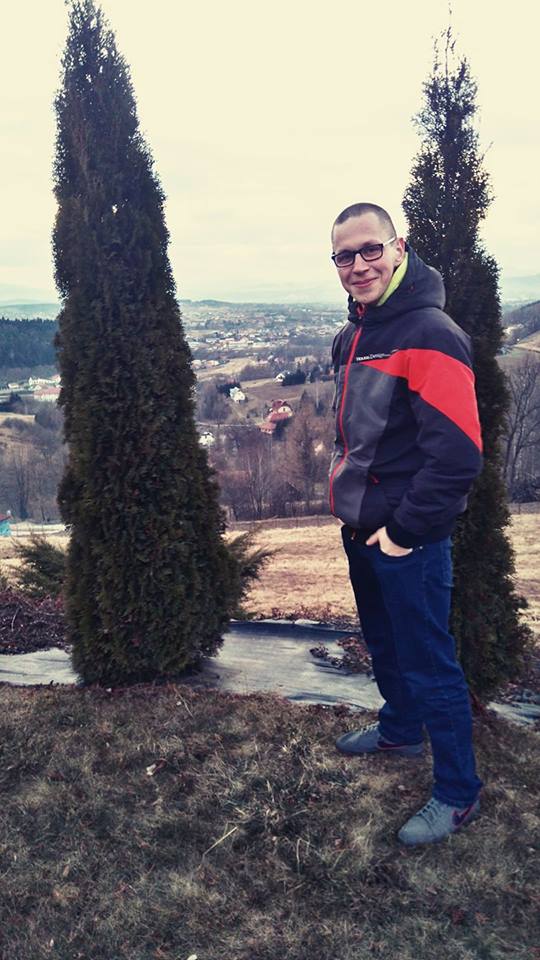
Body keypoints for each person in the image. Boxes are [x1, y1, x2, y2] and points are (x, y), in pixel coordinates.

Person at [329, 202, 483, 846]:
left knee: (428, 662)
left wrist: (402, 533)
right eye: (344, 256)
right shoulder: (354, 334)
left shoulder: (430, 333)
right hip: (361, 529)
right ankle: (399, 731)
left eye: (371, 249)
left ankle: (457, 793)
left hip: (406, 539)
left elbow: (458, 457)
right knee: (386, 643)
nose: (358, 265)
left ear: (398, 248)